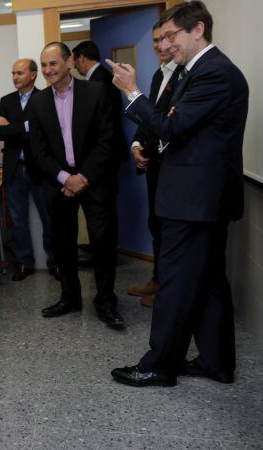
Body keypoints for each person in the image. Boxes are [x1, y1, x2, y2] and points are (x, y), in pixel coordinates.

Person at [107, 1, 248, 387]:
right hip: (200, 199)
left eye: (172, 36)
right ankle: (217, 363)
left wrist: (132, 92)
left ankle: (160, 365)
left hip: (194, 201)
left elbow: (171, 128)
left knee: (175, 284)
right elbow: (169, 125)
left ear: (197, 29)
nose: (166, 44)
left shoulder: (213, 73)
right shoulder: (196, 72)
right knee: (209, 283)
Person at [29, 42, 124, 330]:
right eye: (44, 65)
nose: (47, 71)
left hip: (94, 180)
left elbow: (107, 140)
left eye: (53, 64)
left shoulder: (96, 92)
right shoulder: (38, 102)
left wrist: (82, 177)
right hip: (58, 182)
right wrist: (64, 178)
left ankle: (106, 301)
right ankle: (70, 298)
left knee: (102, 242)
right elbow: (38, 149)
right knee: (62, 244)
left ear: (70, 62)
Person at [125, 22, 181, 308]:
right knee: (156, 225)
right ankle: (158, 279)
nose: (160, 46)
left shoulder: (186, 76)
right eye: (156, 41)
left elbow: (168, 125)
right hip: (154, 167)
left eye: (166, 39)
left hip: (174, 171)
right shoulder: (160, 75)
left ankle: (167, 290)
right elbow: (151, 116)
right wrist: (136, 145)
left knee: (170, 231)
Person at [0, 58, 58, 282]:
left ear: (33, 75)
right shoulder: (6, 101)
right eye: (13, 73)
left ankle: (56, 263)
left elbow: (45, 132)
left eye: (19, 73)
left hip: (39, 168)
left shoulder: (45, 98)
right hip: (14, 169)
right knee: (18, 221)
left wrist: (12, 127)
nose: (15, 77)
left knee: (49, 218)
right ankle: (23, 263)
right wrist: (27, 126)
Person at [72, 41, 127, 165]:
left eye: (75, 62)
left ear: (81, 59)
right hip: (110, 146)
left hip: (105, 149)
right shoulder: (105, 76)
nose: (75, 67)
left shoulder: (97, 82)